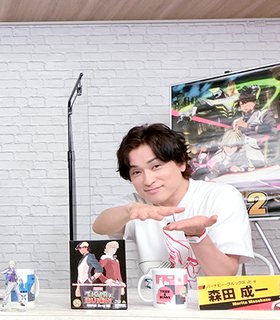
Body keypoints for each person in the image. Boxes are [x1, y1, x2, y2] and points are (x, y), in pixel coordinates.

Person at [93, 123, 254, 289]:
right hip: (156, 303)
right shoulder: (138, 205)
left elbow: (225, 276)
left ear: (181, 163)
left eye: (156, 166)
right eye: (137, 172)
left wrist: (197, 235)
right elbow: (100, 227)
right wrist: (129, 211)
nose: (148, 180)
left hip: (209, 303)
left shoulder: (222, 196)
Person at [97, 241, 126, 307]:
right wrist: (105, 280)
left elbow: (118, 273)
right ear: (108, 248)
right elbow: (97, 271)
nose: (114, 250)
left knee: (117, 303)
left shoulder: (116, 260)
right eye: (113, 248)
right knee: (108, 303)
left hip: (117, 284)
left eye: (115, 248)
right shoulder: (105, 258)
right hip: (110, 284)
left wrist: (121, 284)